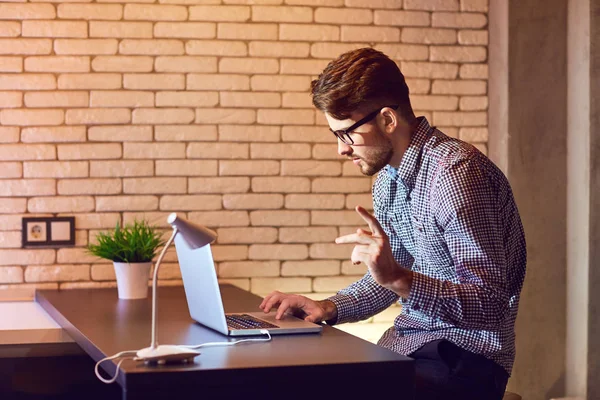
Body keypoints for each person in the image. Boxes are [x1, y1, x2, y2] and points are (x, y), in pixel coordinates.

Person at [259, 47, 527, 400]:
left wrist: (399, 279)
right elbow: (388, 281)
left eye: (346, 134)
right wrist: (327, 307)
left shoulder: (457, 175)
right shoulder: (388, 180)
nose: (341, 150)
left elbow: (490, 303)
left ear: (387, 120)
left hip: (467, 361)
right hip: (409, 347)